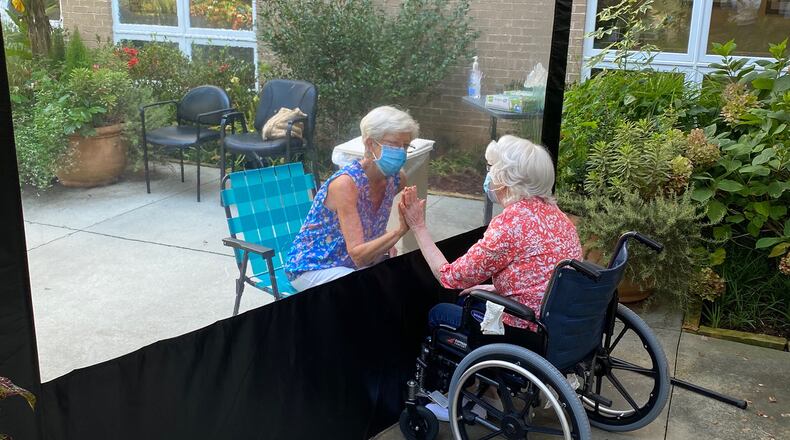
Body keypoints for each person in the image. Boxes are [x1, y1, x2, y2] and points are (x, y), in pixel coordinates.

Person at [399, 135, 582, 332]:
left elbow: (451, 278)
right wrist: (499, 289)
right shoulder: (557, 215)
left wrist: (418, 226)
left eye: (490, 169)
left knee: (440, 312)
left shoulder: (511, 224)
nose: (488, 176)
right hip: (559, 322)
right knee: (468, 301)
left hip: (525, 329)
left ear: (505, 179)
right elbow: (538, 274)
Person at [284, 106, 417, 291]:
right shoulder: (346, 184)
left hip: (351, 265)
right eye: (395, 144)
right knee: (366, 291)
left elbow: (370, 215)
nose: (401, 152)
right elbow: (358, 255)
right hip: (313, 266)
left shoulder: (396, 179)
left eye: (406, 145)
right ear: (371, 144)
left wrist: (382, 241)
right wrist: (398, 232)